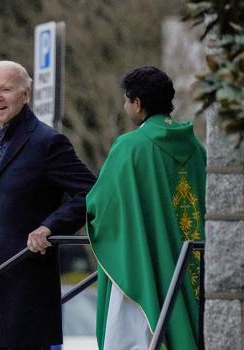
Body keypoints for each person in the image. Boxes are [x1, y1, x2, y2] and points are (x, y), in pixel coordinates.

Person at [0, 60, 96, 349]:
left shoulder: (48, 142)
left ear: (25, 95)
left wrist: (50, 227)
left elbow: (91, 192)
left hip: (28, 292)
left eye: (6, 89)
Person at [87, 66, 206, 350]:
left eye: (126, 100)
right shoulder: (197, 148)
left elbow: (100, 204)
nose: (125, 105)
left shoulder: (131, 147)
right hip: (190, 262)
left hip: (146, 259)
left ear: (137, 104)